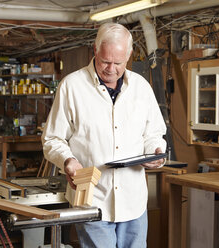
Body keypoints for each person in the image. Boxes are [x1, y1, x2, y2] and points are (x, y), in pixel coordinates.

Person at [42, 22, 167, 248]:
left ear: (129, 56)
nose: (111, 68)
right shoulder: (72, 86)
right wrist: (68, 160)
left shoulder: (141, 88)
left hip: (133, 201)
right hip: (92, 198)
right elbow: (52, 139)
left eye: (118, 63)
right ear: (95, 50)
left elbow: (154, 133)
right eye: (105, 61)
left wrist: (155, 152)